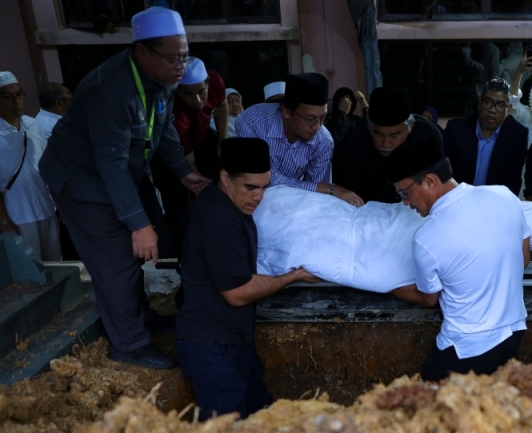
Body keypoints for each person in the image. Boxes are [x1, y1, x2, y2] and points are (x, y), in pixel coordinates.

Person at [38, 7, 211, 369]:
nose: (182, 65)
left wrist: (184, 173)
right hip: (83, 180)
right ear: (144, 52)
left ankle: (139, 318)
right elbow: (110, 163)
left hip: (117, 174)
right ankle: (129, 344)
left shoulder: (160, 78)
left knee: (133, 256)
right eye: (174, 57)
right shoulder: (110, 89)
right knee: (116, 260)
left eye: (186, 55)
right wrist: (137, 223)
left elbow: (162, 130)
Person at [176, 137, 319, 420]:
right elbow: (237, 292)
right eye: (250, 188)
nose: (258, 197)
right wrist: (292, 277)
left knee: (261, 416)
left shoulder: (227, 205)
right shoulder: (219, 223)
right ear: (225, 177)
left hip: (232, 339)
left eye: (264, 187)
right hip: (213, 347)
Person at [385, 135, 531, 381]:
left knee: (434, 410)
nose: (405, 203)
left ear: (430, 181)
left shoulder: (426, 238)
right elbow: (523, 259)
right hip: (513, 331)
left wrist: (388, 286)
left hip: (466, 348)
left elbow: (428, 297)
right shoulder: (504, 196)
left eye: (404, 193)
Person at [236, 73, 363, 206]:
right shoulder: (251, 123)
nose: (317, 126)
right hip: (251, 202)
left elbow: (317, 198)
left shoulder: (323, 140)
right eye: (309, 119)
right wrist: (327, 188)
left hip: (292, 204)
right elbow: (262, 177)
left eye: (322, 118)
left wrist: (322, 189)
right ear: (286, 111)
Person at [152, 57, 226, 257]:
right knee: (179, 205)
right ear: (177, 91)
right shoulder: (174, 112)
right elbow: (189, 166)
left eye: (201, 91)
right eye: (189, 94)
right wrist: (199, 190)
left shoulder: (216, 81)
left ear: (208, 83)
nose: (198, 100)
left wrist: (222, 139)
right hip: (172, 155)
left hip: (202, 139)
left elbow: (220, 106)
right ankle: (185, 254)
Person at [332, 86, 443, 204]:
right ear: (369, 127)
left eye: (394, 136)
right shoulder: (354, 146)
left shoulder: (427, 139)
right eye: (378, 134)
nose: (385, 143)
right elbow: (348, 195)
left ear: (410, 126)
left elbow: (439, 188)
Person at [0, 71, 61, 261]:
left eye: (18, 94)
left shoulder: (33, 125)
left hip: (47, 209)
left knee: (56, 267)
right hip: (18, 217)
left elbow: (48, 168)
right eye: (7, 97)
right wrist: (4, 222)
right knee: (31, 275)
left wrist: (60, 204)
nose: (16, 101)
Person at [442, 77, 528, 195]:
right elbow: (443, 175)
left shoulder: (518, 134)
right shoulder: (456, 129)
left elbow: (512, 182)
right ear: (479, 103)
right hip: (458, 199)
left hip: (494, 204)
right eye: (487, 102)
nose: (492, 110)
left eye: (500, 105)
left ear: (509, 110)